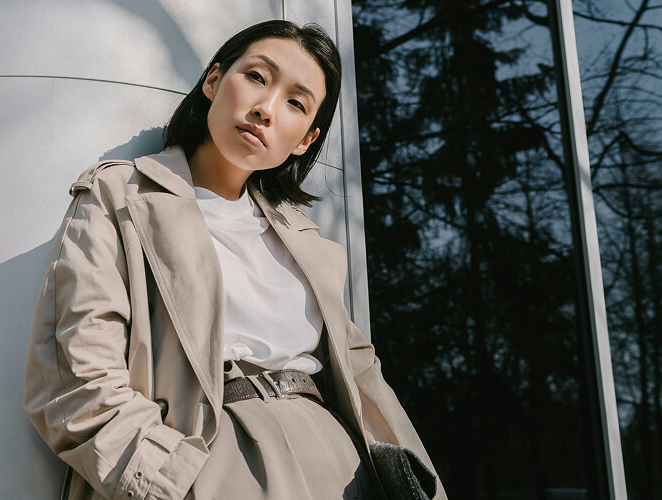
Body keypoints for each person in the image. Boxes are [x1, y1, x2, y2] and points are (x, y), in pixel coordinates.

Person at [24, 20, 445, 500]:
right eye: (257, 77)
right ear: (214, 80)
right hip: (207, 462)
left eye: (295, 103)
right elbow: (77, 377)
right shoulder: (120, 196)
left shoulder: (308, 245)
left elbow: (368, 386)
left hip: (338, 466)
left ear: (305, 139)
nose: (265, 110)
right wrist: (171, 483)